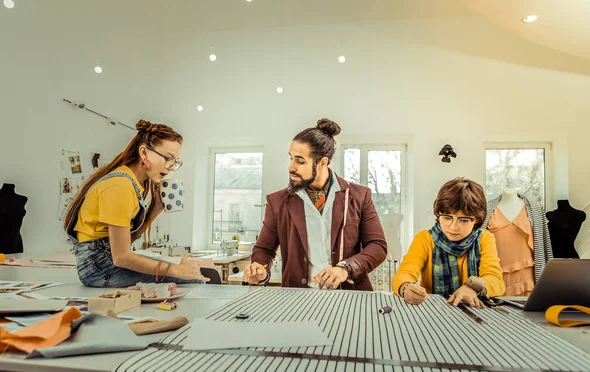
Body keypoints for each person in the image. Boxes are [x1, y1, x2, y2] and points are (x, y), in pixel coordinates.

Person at [244, 118, 387, 290]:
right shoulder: (277, 202)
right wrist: (260, 270)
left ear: (322, 162)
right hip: (298, 300)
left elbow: (378, 247)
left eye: (300, 161)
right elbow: (264, 250)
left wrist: (346, 269)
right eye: (291, 158)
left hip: (350, 297)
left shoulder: (359, 196)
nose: (291, 167)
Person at [63, 120, 209, 287]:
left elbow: (129, 240)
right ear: (144, 152)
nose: (170, 168)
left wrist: (155, 210)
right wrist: (175, 270)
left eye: (175, 162)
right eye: (168, 159)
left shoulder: (132, 183)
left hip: (104, 262)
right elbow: (122, 257)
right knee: (192, 280)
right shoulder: (120, 186)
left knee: (191, 274)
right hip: (98, 268)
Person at [392, 178, 504, 307]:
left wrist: (473, 288)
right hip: (432, 312)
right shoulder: (424, 239)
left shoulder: (485, 238)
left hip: (475, 312)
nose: (453, 227)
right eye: (447, 217)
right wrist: (406, 287)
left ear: (476, 219)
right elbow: (403, 274)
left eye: (464, 220)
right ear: (438, 214)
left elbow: (496, 280)